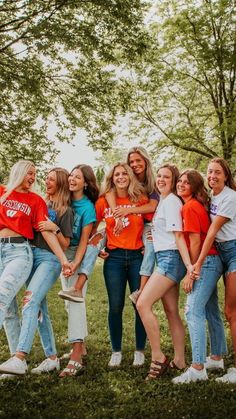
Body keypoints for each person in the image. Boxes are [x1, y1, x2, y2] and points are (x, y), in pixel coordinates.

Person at [59, 146, 158, 313]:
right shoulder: (107, 197)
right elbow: (96, 222)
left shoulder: (150, 186)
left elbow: (152, 207)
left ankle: (141, 289)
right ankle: (77, 288)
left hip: (142, 233)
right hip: (114, 248)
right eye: (131, 162)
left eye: (137, 162)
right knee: (95, 239)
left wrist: (128, 211)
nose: (134, 165)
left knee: (150, 240)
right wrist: (98, 244)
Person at [0, 167, 73, 376]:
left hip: (47, 258)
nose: (45, 182)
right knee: (40, 309)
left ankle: (20, 357)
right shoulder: (38, 201)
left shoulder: (64, 211)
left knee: (30, 303)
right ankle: (52, 358)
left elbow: (65, 243)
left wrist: (54, 228)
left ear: (59, 183)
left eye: (51, 180)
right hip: (28, 255)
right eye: (46, 179)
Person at [137, 164, 193, 380]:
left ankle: (158, 356)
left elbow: (178, 235)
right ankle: (179, 361)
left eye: (166, 177)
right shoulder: (163, 201)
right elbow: (166, 232)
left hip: (170, 259)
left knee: (143, 303)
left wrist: (188, 266)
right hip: (166, 255)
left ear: (173, 180)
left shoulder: (170, 202)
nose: (161, 179)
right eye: (159, 176)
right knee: (171, 310)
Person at [172, 169, 227, 384]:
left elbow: (195, 242)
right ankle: (216, 357)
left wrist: (192, 271)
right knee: (211, 310)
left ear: (195, 187)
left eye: (187, 182)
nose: (181, 184)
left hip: (206, 263)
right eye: (180, 181)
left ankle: (197, 368)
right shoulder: (194, 205)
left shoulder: (190, 207)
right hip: (212, 262)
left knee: (192, 311)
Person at [95, 162, 149, 368]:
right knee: (115, 306)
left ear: (130, 177)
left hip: (137, 257)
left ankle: (140, 350)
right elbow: (92, 227)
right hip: (114, 259)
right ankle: (116, 351)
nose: (120, 177)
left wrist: (149, 243)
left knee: (140, 305)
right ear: (112, 178)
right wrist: (96, 247)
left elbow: (154, 220)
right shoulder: (103, 202)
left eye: (124, 173)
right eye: (117, 174)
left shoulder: (139, 199)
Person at [191, 158, 236, 383]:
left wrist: (197, 264)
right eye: (209, 172)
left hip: (234, 252)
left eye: (217, 172)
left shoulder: (230, 197)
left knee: (231, 312)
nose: (212, 176)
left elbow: (212, 232)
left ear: (226, 176)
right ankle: (217, 357)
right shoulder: (213, 197)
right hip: (221, 252)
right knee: (212, 306)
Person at [58, 164, 99, 377]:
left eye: (78, 177)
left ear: (86, 183)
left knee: (75, 300)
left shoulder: (87, 207)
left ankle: (76, 355)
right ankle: (81, 345)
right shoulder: (62, 201)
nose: (72, 179)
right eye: (71, 175)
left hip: (76, 254)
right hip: (62, 254)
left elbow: (84, 241)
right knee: (68, 302)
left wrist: (75, 263)